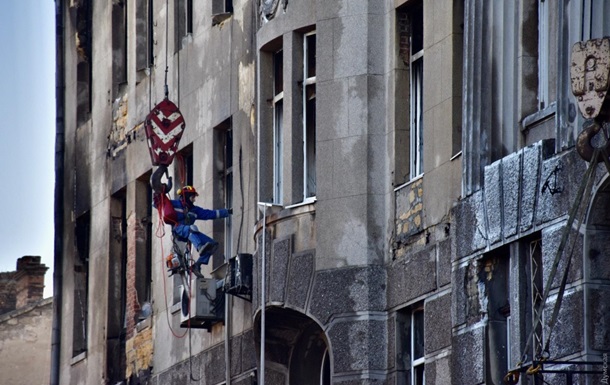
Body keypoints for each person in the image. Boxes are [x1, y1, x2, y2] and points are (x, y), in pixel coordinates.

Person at [170, 185, 231, 278]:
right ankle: (199, 247)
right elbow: (157, 203)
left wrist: (227, 212)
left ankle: (197, 265)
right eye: (192, 197)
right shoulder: (175, 204)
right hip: (179, 230)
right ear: (187, 196)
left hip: (190, 233)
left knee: (213, 244)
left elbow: (210, 214)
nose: (194, 200)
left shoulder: (195, 210)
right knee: (192, 228)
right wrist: (159, 193)